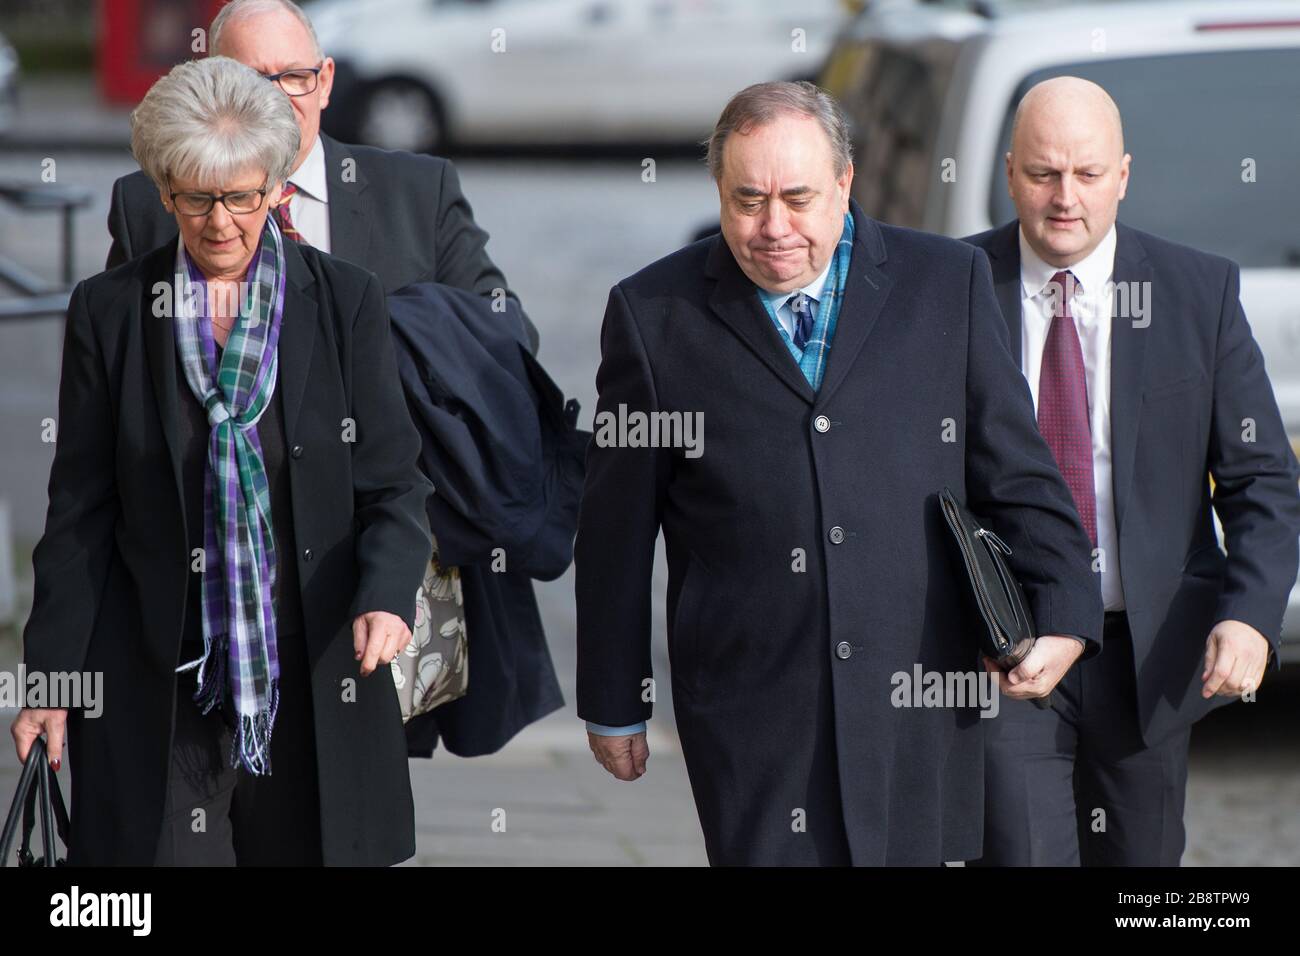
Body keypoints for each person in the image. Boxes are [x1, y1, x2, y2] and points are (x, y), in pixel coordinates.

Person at [574, 81, 1103, 866]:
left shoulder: (944, 284)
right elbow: (615, 533)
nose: (774, 227)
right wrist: (614, 702)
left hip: (917, 697)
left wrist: (1063, 609)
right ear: (718, 190)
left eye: (797, 197)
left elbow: (1018, 470)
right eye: (748, 200)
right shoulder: (653, 314)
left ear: (846, 184)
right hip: (752, 708)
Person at [10, 55, 432, 866]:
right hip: (155, 683)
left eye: (242, 197)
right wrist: (51, 680)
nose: (221, 223)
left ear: (277, 188)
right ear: (164, 194)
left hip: (313, 674)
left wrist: (386, 597)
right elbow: (81, 514)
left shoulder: (345, 300)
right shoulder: (112, 312)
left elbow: (392, 483)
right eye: (196, 199)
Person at [965, 76, 1300, 866]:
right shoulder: (953, 287)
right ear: (1010, 172)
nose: (1064, 198)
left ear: (1123, 175)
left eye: (1086, 174)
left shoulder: (1196, 293)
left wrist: (1251, 615)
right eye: (1044, 174)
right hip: (1010, 653)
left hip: (1148, 659)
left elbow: (1261, 478)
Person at [105, 0, 538, 354]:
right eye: (251, 81)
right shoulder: (145, 202)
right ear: (212, 82)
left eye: (294, 77)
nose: (275, 100)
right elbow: (118, 365)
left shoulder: (419, 191)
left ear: (325, 81)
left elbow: (508, 333)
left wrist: (363, 334)